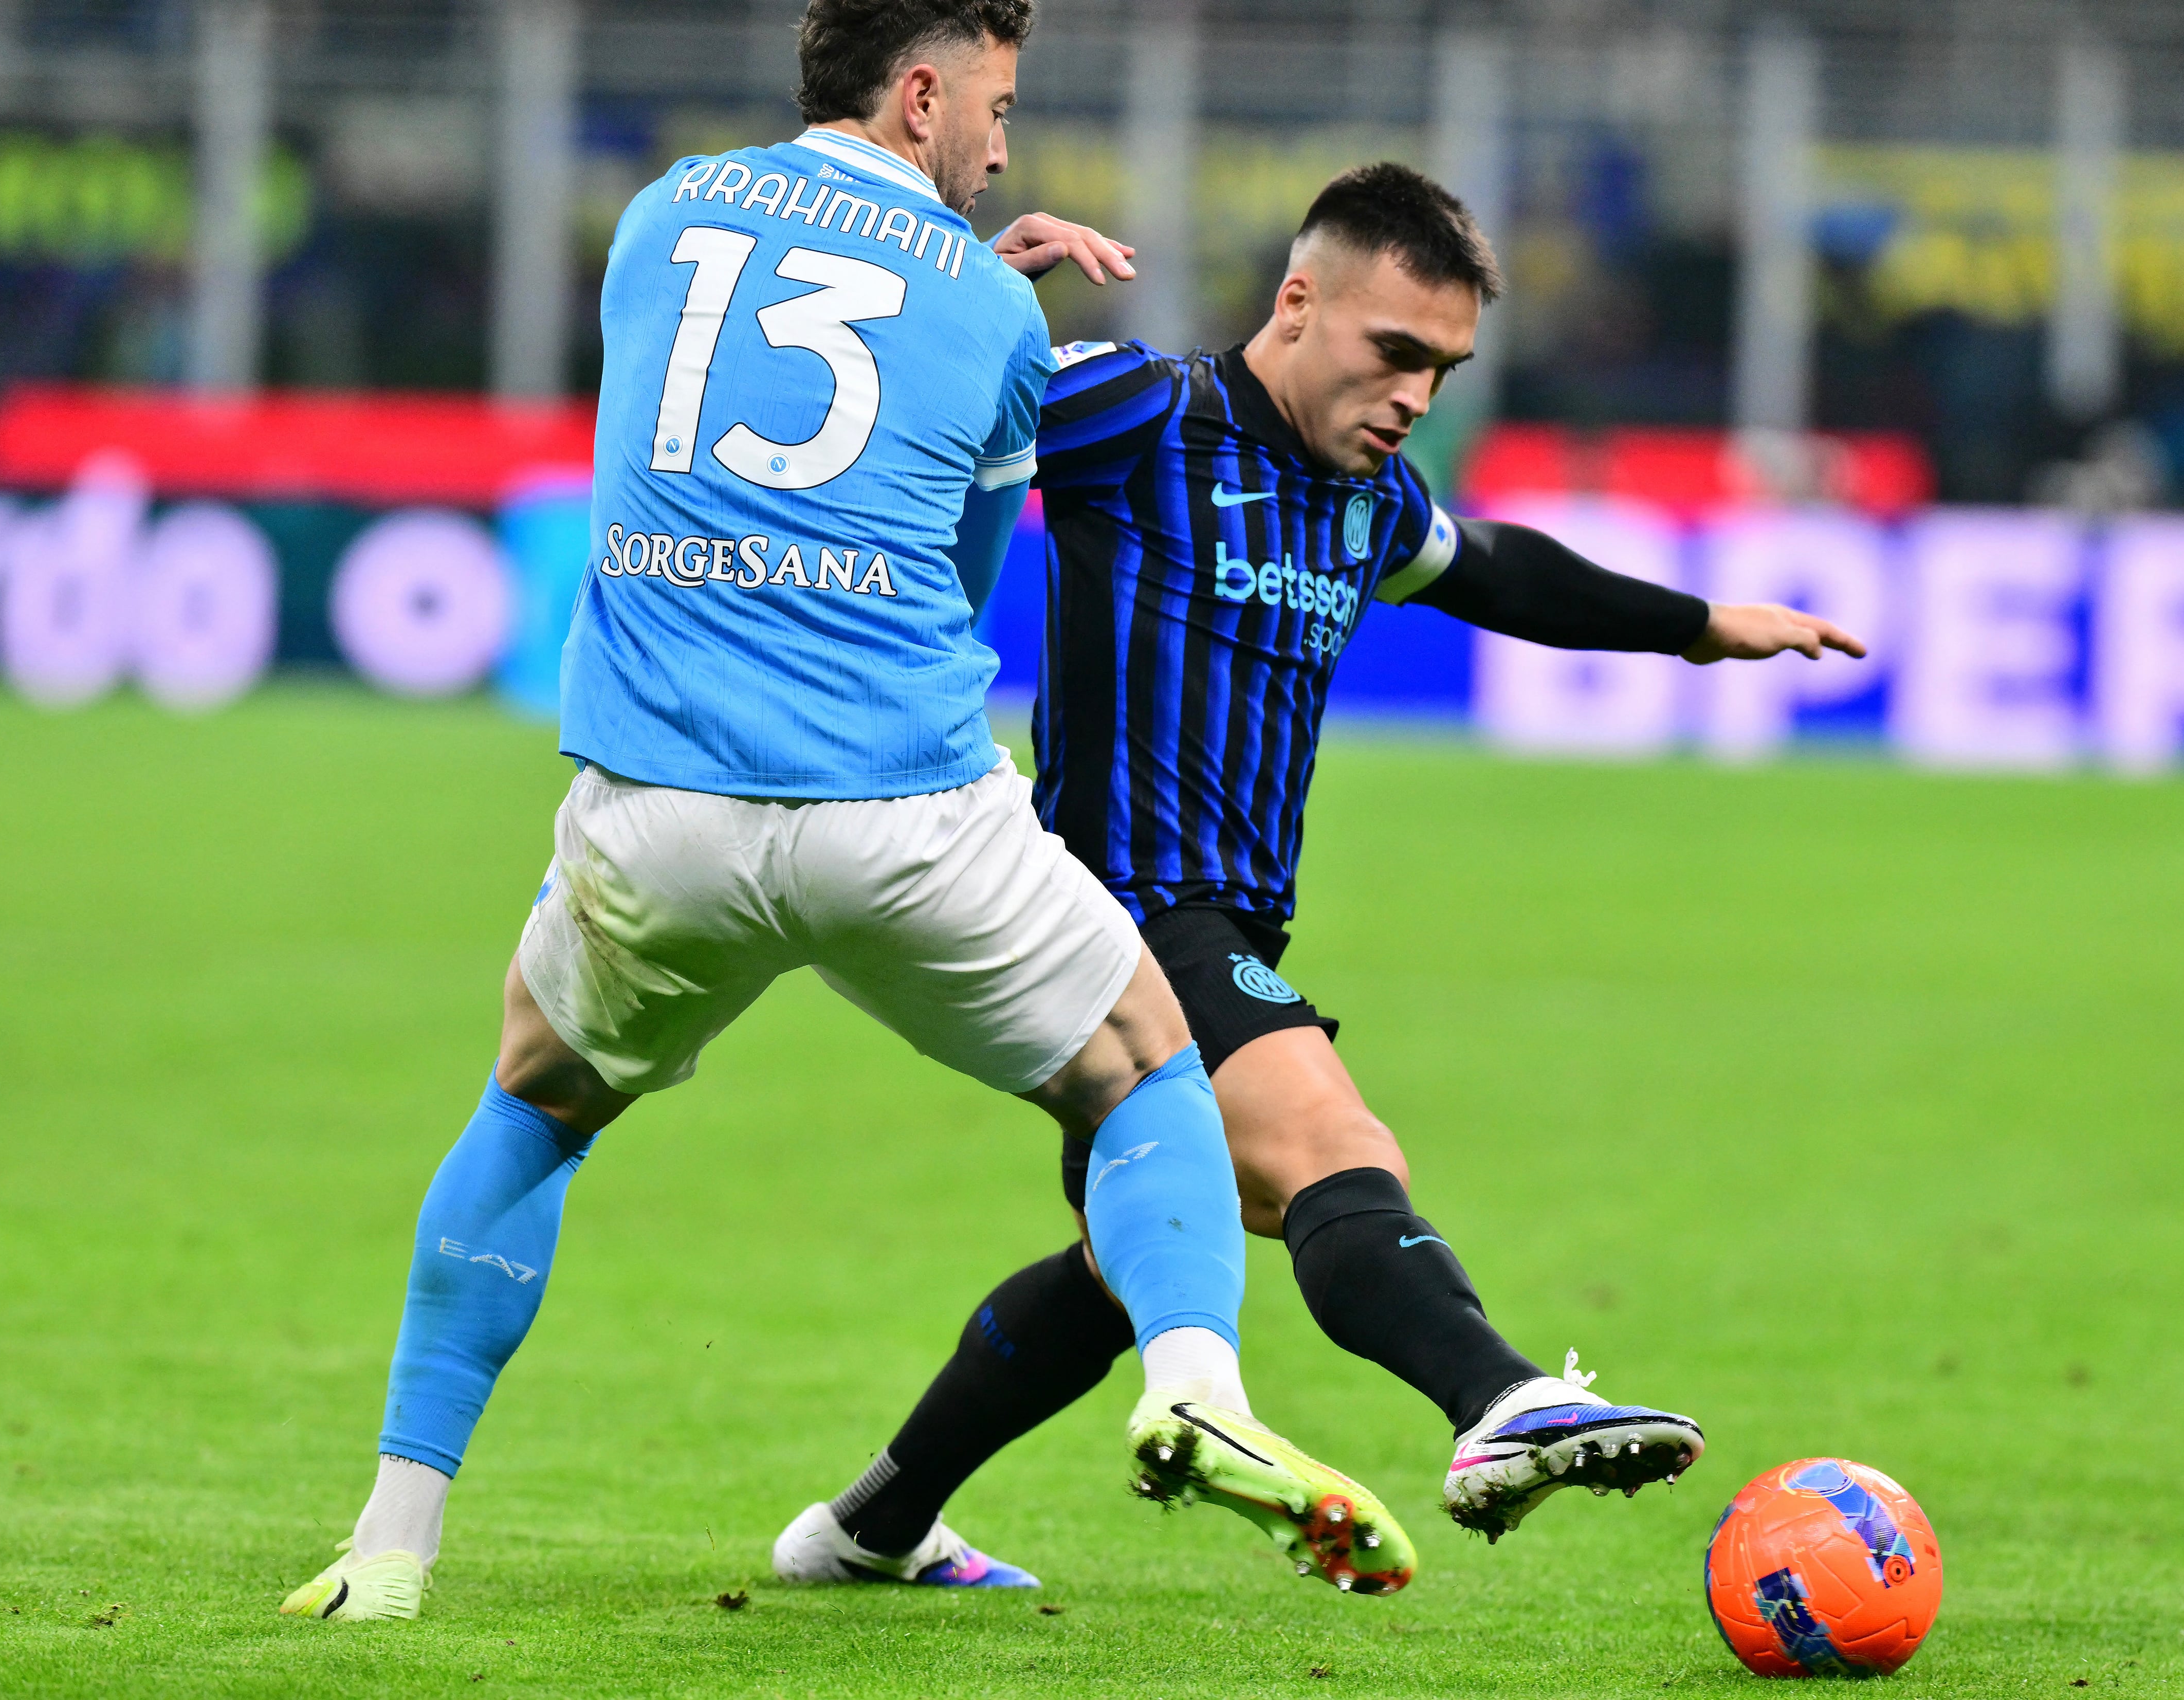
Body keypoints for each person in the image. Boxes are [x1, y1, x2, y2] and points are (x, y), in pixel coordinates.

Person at [281, 3, 1417, 1624]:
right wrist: (983, 305)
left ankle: (390, 1549)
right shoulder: (988, 307)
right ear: (923, 92)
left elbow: (694, 423)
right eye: (999, 107)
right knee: (1149, 1065)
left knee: (530, 1108)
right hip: (898, 814)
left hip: (655, 813)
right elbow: (959, 589)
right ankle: (1193, 1383)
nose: (1004, 146)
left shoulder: (663, 212)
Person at [774, 162, 1866, 1587]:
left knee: (1120, 1269)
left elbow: (1492, 570)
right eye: (1393, 352)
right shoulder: (1141, 410)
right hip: (1108, 909)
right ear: (1297, 302)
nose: (1415, 393)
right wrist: (974, 289)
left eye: (1445, 367)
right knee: (1330, 1148)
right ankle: (1502, 1400)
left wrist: (1698, 623)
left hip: (1218, 919)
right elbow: (914, 429)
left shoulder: (1364, 499)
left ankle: (866, 1527)